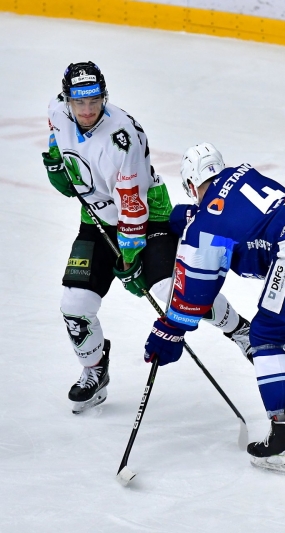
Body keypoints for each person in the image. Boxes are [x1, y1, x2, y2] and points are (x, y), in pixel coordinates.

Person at [43, 62, 252, 415]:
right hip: (96, 220)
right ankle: (95, 369)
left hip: (147, 214)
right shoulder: (56, 111)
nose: (88, 110)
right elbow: (56, 139)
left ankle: (239, 329)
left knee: (170, 293)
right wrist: (55, 162)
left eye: (94, 100)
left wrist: (130, 257)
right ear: (67, 102)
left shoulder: (123, 136)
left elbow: (132, 204)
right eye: (79, 103)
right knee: (74, 307)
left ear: (104, 96)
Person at [143, 143, 285, 475]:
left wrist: (170, 330)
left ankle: (281, 437)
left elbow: (197, 286)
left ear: (189, 185)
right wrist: (190, 218)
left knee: (264, 336)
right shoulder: (242, 174)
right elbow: (242, 217)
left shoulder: (206, 223)